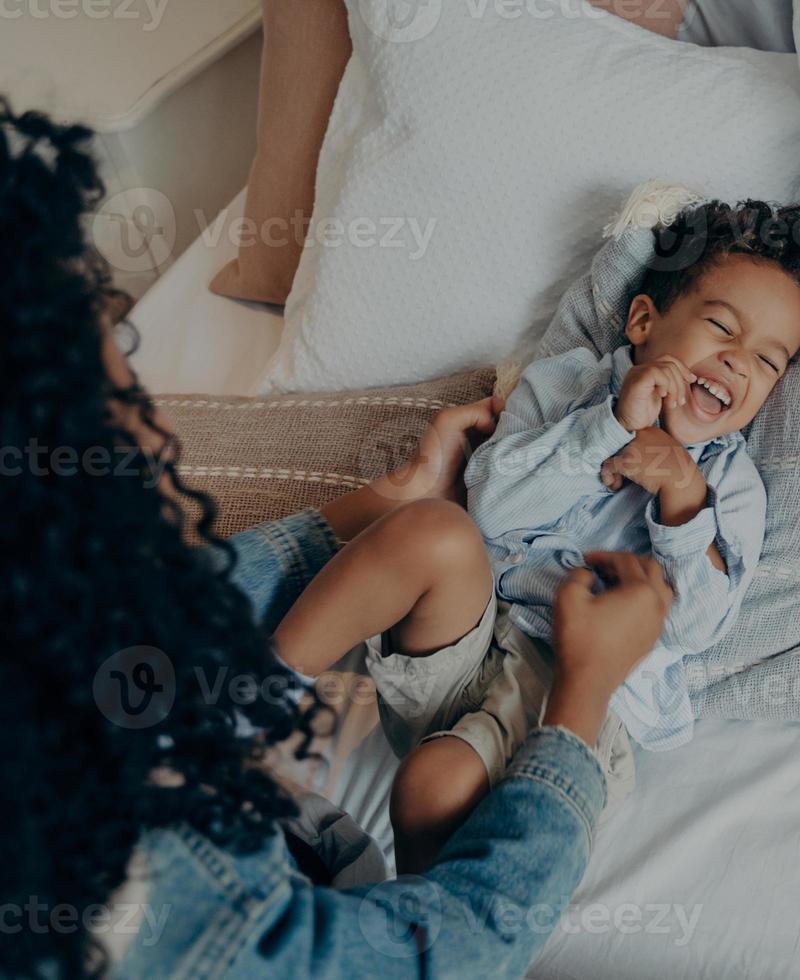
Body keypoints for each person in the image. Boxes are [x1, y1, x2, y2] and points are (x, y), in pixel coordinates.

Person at [2, 100, 671, 978]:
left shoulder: (47, 629)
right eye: (119, 401)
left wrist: (376, 504)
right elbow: (435, 955)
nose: (149, 419)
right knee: (434, 780)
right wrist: (580, 701)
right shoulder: (140, 887)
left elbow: (132, 627)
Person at [271, 201, 800, 871]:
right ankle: (252, 709)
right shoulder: (568, 386)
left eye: (769, 362)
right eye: (721, 327)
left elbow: (693, 628)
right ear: (644, 322)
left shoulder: (730, 489)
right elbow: (493, 511)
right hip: (463, 638)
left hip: (571, 700)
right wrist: (611, 427)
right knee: (431, 527)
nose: (738, 363)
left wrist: (683, 500)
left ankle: (420, 904)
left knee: (433, 784)